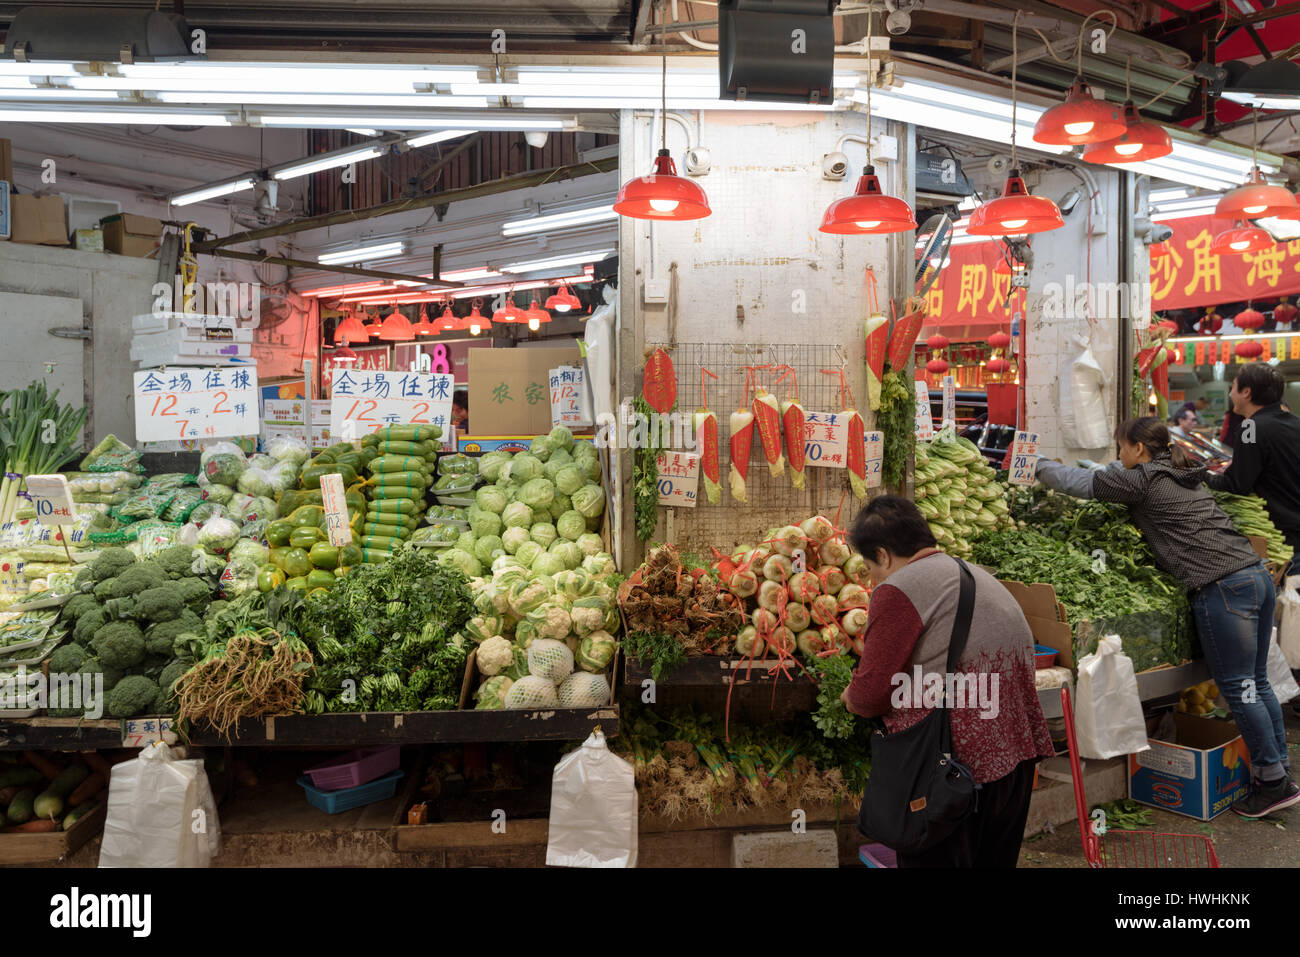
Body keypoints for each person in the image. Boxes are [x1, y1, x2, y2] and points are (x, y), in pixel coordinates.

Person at [1036, 418, 1298, 818]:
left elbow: (1080, 484)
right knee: (1256, 682)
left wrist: (1033, 464)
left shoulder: (1140, 478)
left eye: (1121, 448)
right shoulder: (1181, 472)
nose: (1119, 457)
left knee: (1240, 687)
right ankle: (1277, 771)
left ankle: (1272, 783)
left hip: (1222, 585)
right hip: (1255, 575)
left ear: (1140, 449)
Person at [841, 495, 1053, 867]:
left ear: (884, 554)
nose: (871, 576)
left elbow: (871, 695)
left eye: (869, 565)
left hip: (954, 777)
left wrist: (850, 696)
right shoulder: (978, 576)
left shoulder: (899, 588)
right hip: (1014, 763)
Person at [1202, 363, 1300, 563]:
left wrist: (1200, 474)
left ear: (1246, 392)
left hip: (1282, 536)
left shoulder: (1250, 427)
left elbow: (1237, 486)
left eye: (1233, 387)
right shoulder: (1295, 422)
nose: (1230, 393)